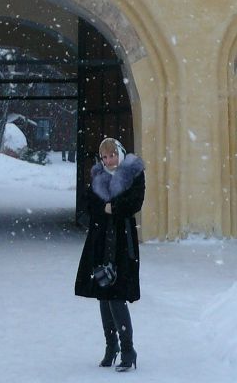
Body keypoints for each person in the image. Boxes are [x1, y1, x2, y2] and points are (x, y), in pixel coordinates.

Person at [74, 137, 145, 371]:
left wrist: (111, 207)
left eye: (112, 155)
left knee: (117, 294)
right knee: (103, 294)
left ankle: (128, 350)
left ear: (120, 153)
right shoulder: (99, 176)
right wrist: (106, 207)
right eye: (104, 157)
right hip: (101, 240)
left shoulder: (134, 173)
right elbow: (89, 205)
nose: (108, 160)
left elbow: (135, 202)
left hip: (122, 242)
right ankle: (111, 346)